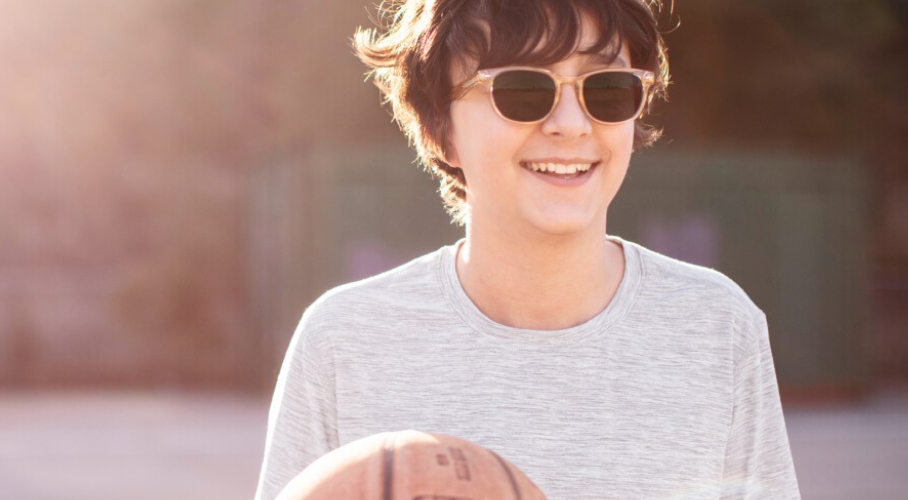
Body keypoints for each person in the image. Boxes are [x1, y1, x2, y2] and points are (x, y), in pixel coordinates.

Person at [255, 0, 801, 498]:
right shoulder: (344, 342)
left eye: (607, 87)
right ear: (442, 129)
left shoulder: (717, 327)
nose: (570, 125)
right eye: (522, 89)